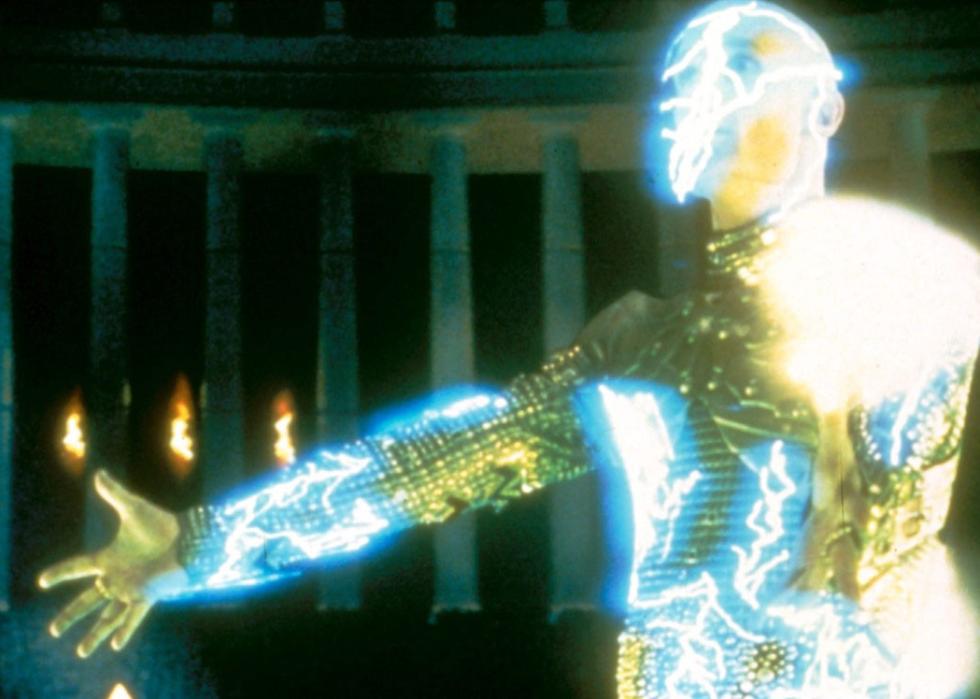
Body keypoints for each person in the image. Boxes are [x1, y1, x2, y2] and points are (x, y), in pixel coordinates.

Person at [37, 1, 980, 696]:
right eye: (683, 75)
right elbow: (436, 462)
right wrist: (199, 545)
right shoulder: (640, 338)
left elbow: (888, 538)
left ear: (826, 109)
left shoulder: (907, 293)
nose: (697, 90)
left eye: (738, 67)